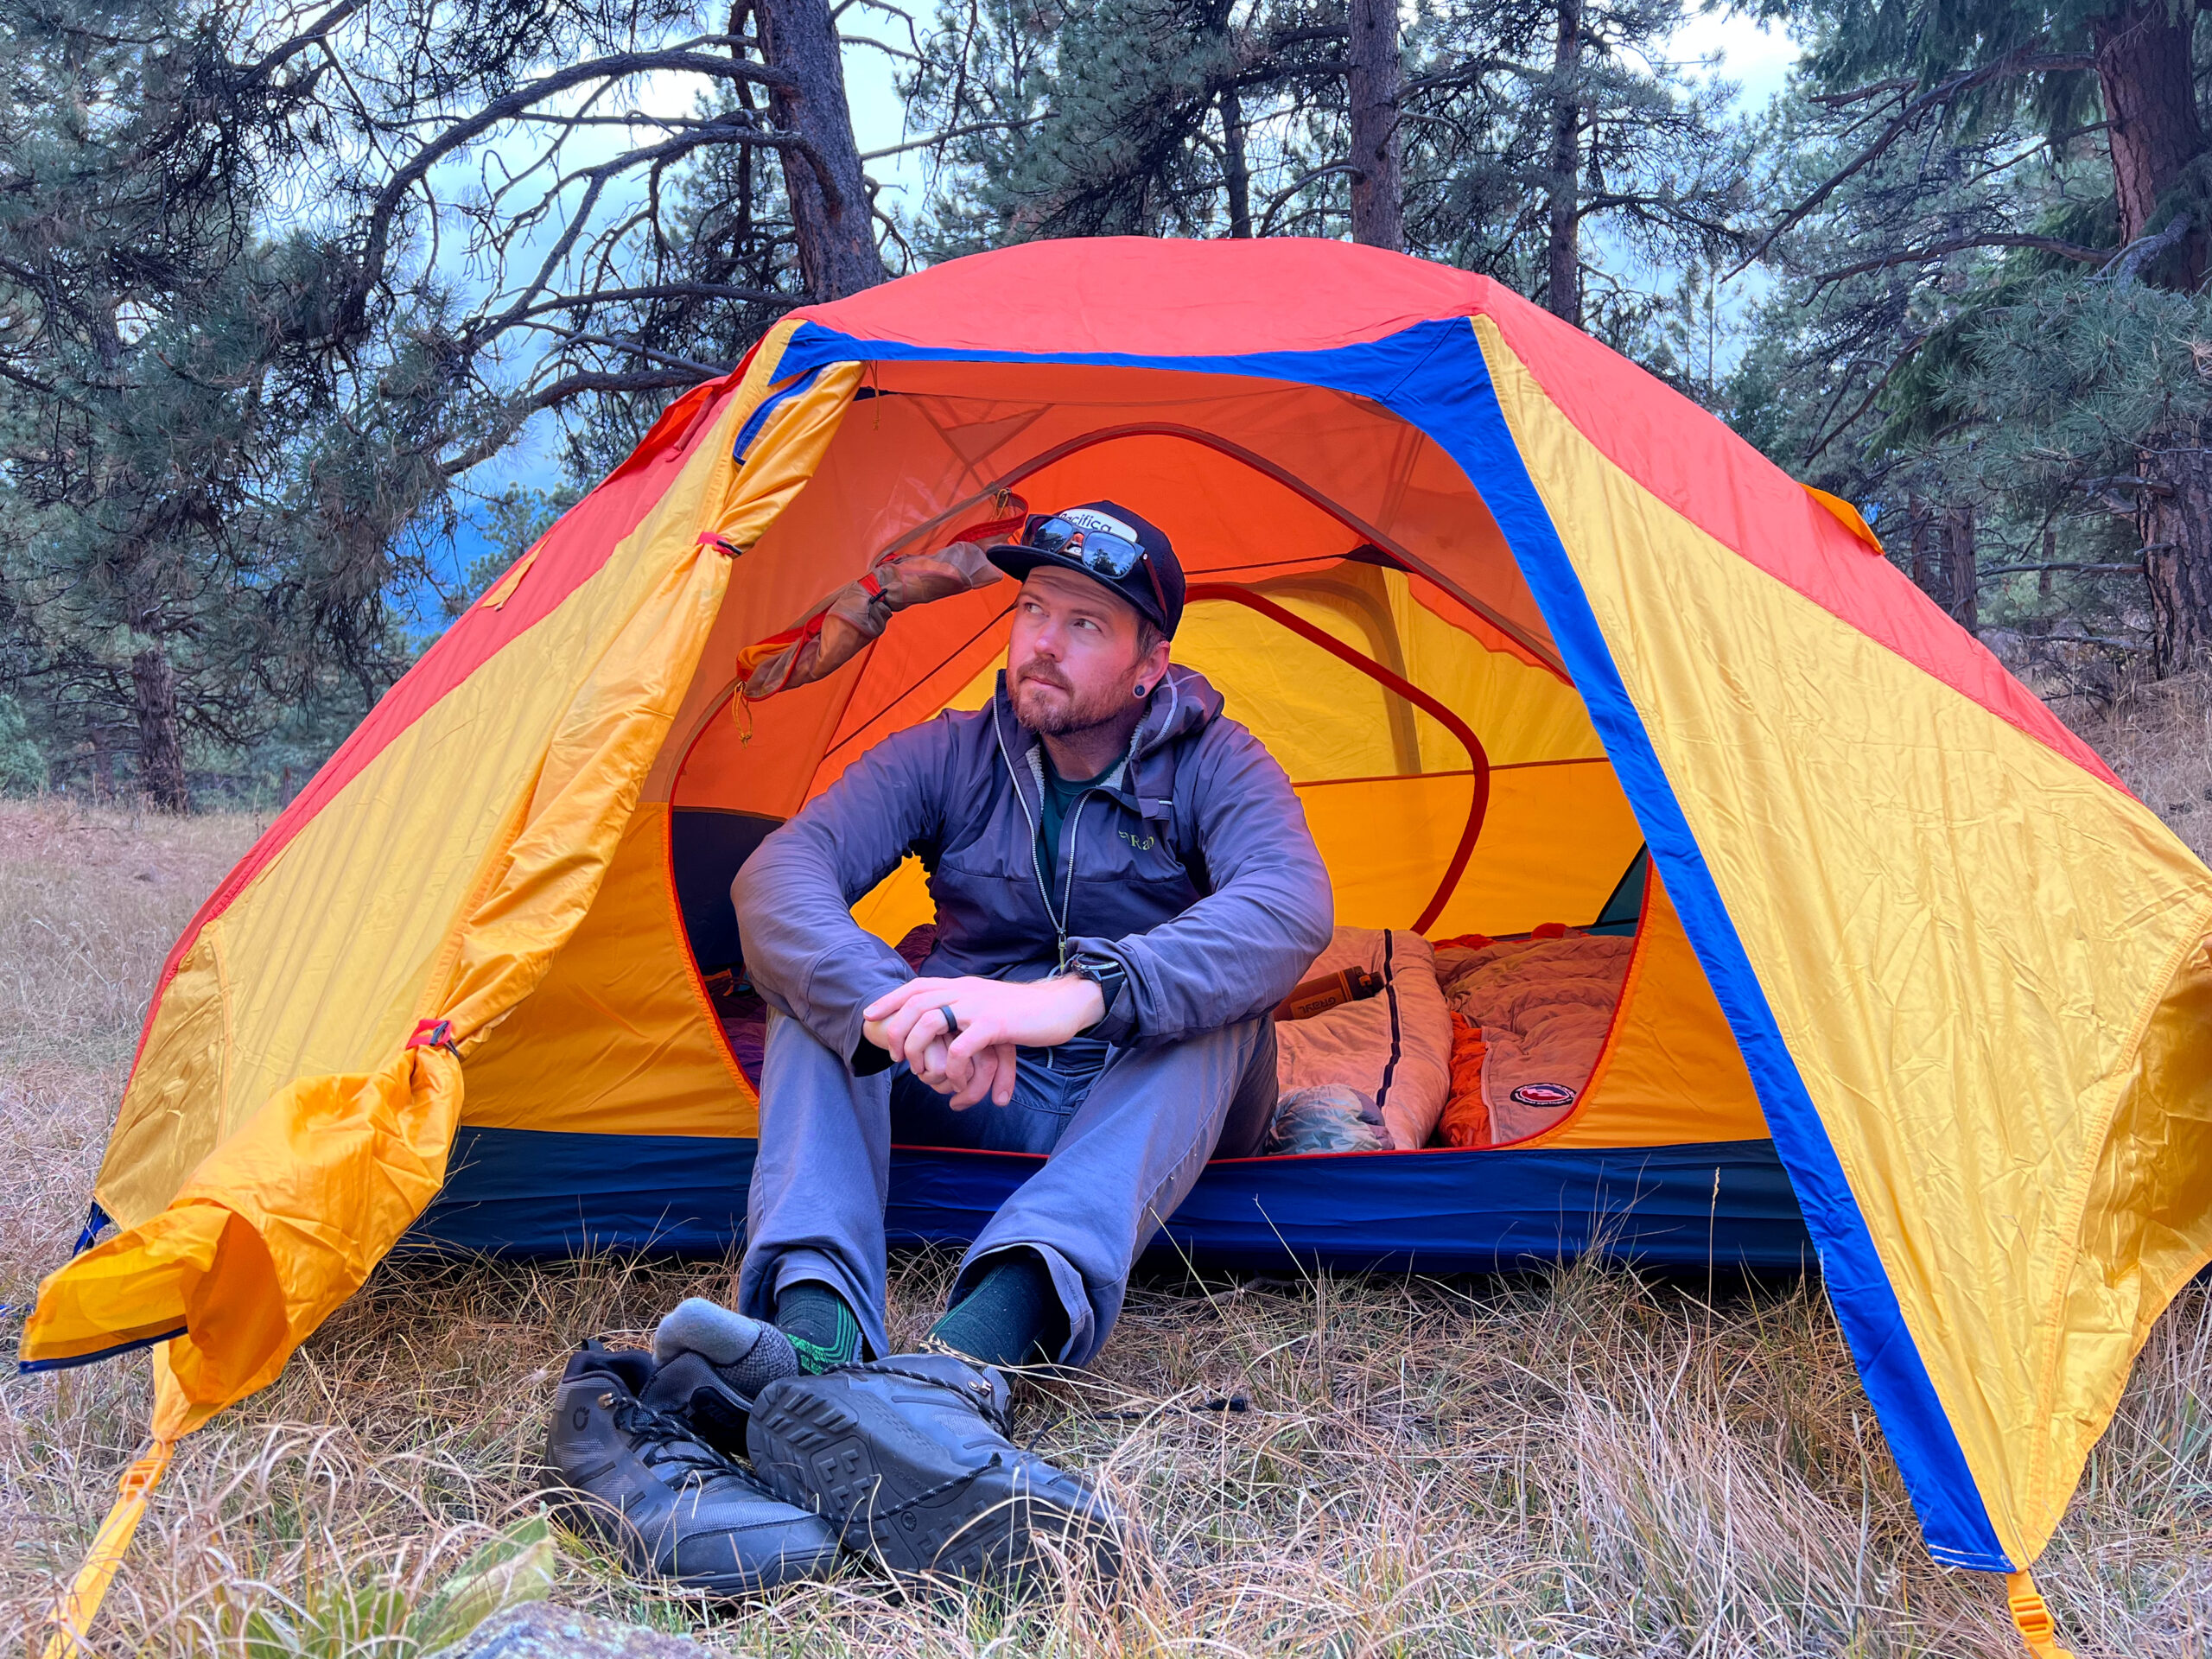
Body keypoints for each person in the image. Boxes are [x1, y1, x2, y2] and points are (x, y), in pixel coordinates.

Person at [551, 501, 1332, 1586]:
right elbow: (780, 875)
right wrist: (894, 1008)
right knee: (812, 991)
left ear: (1152, 663)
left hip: (1140, 1087)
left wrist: (1082, 996)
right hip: (975, 1073)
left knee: (1220, 1010)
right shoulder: (954, 754)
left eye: (1087, 625)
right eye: (1030, 610)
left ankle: (963, 1365)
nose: (1043, 643)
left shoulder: (1215, 763)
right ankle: (814, 1345)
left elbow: (1292, 907)